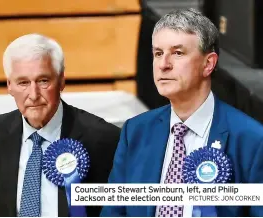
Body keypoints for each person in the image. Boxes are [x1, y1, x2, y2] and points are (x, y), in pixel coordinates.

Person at [101, 8, 263, 217]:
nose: (163, 65)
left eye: (178, 53)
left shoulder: (252, 140)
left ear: (209, 64)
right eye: (158, 53)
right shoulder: (135, 132)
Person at [0, 33, 121, 217]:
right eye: (23, 83)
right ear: (9, 85)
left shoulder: (104, 139)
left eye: (43, 81)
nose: (33, 94)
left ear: (61, 81)